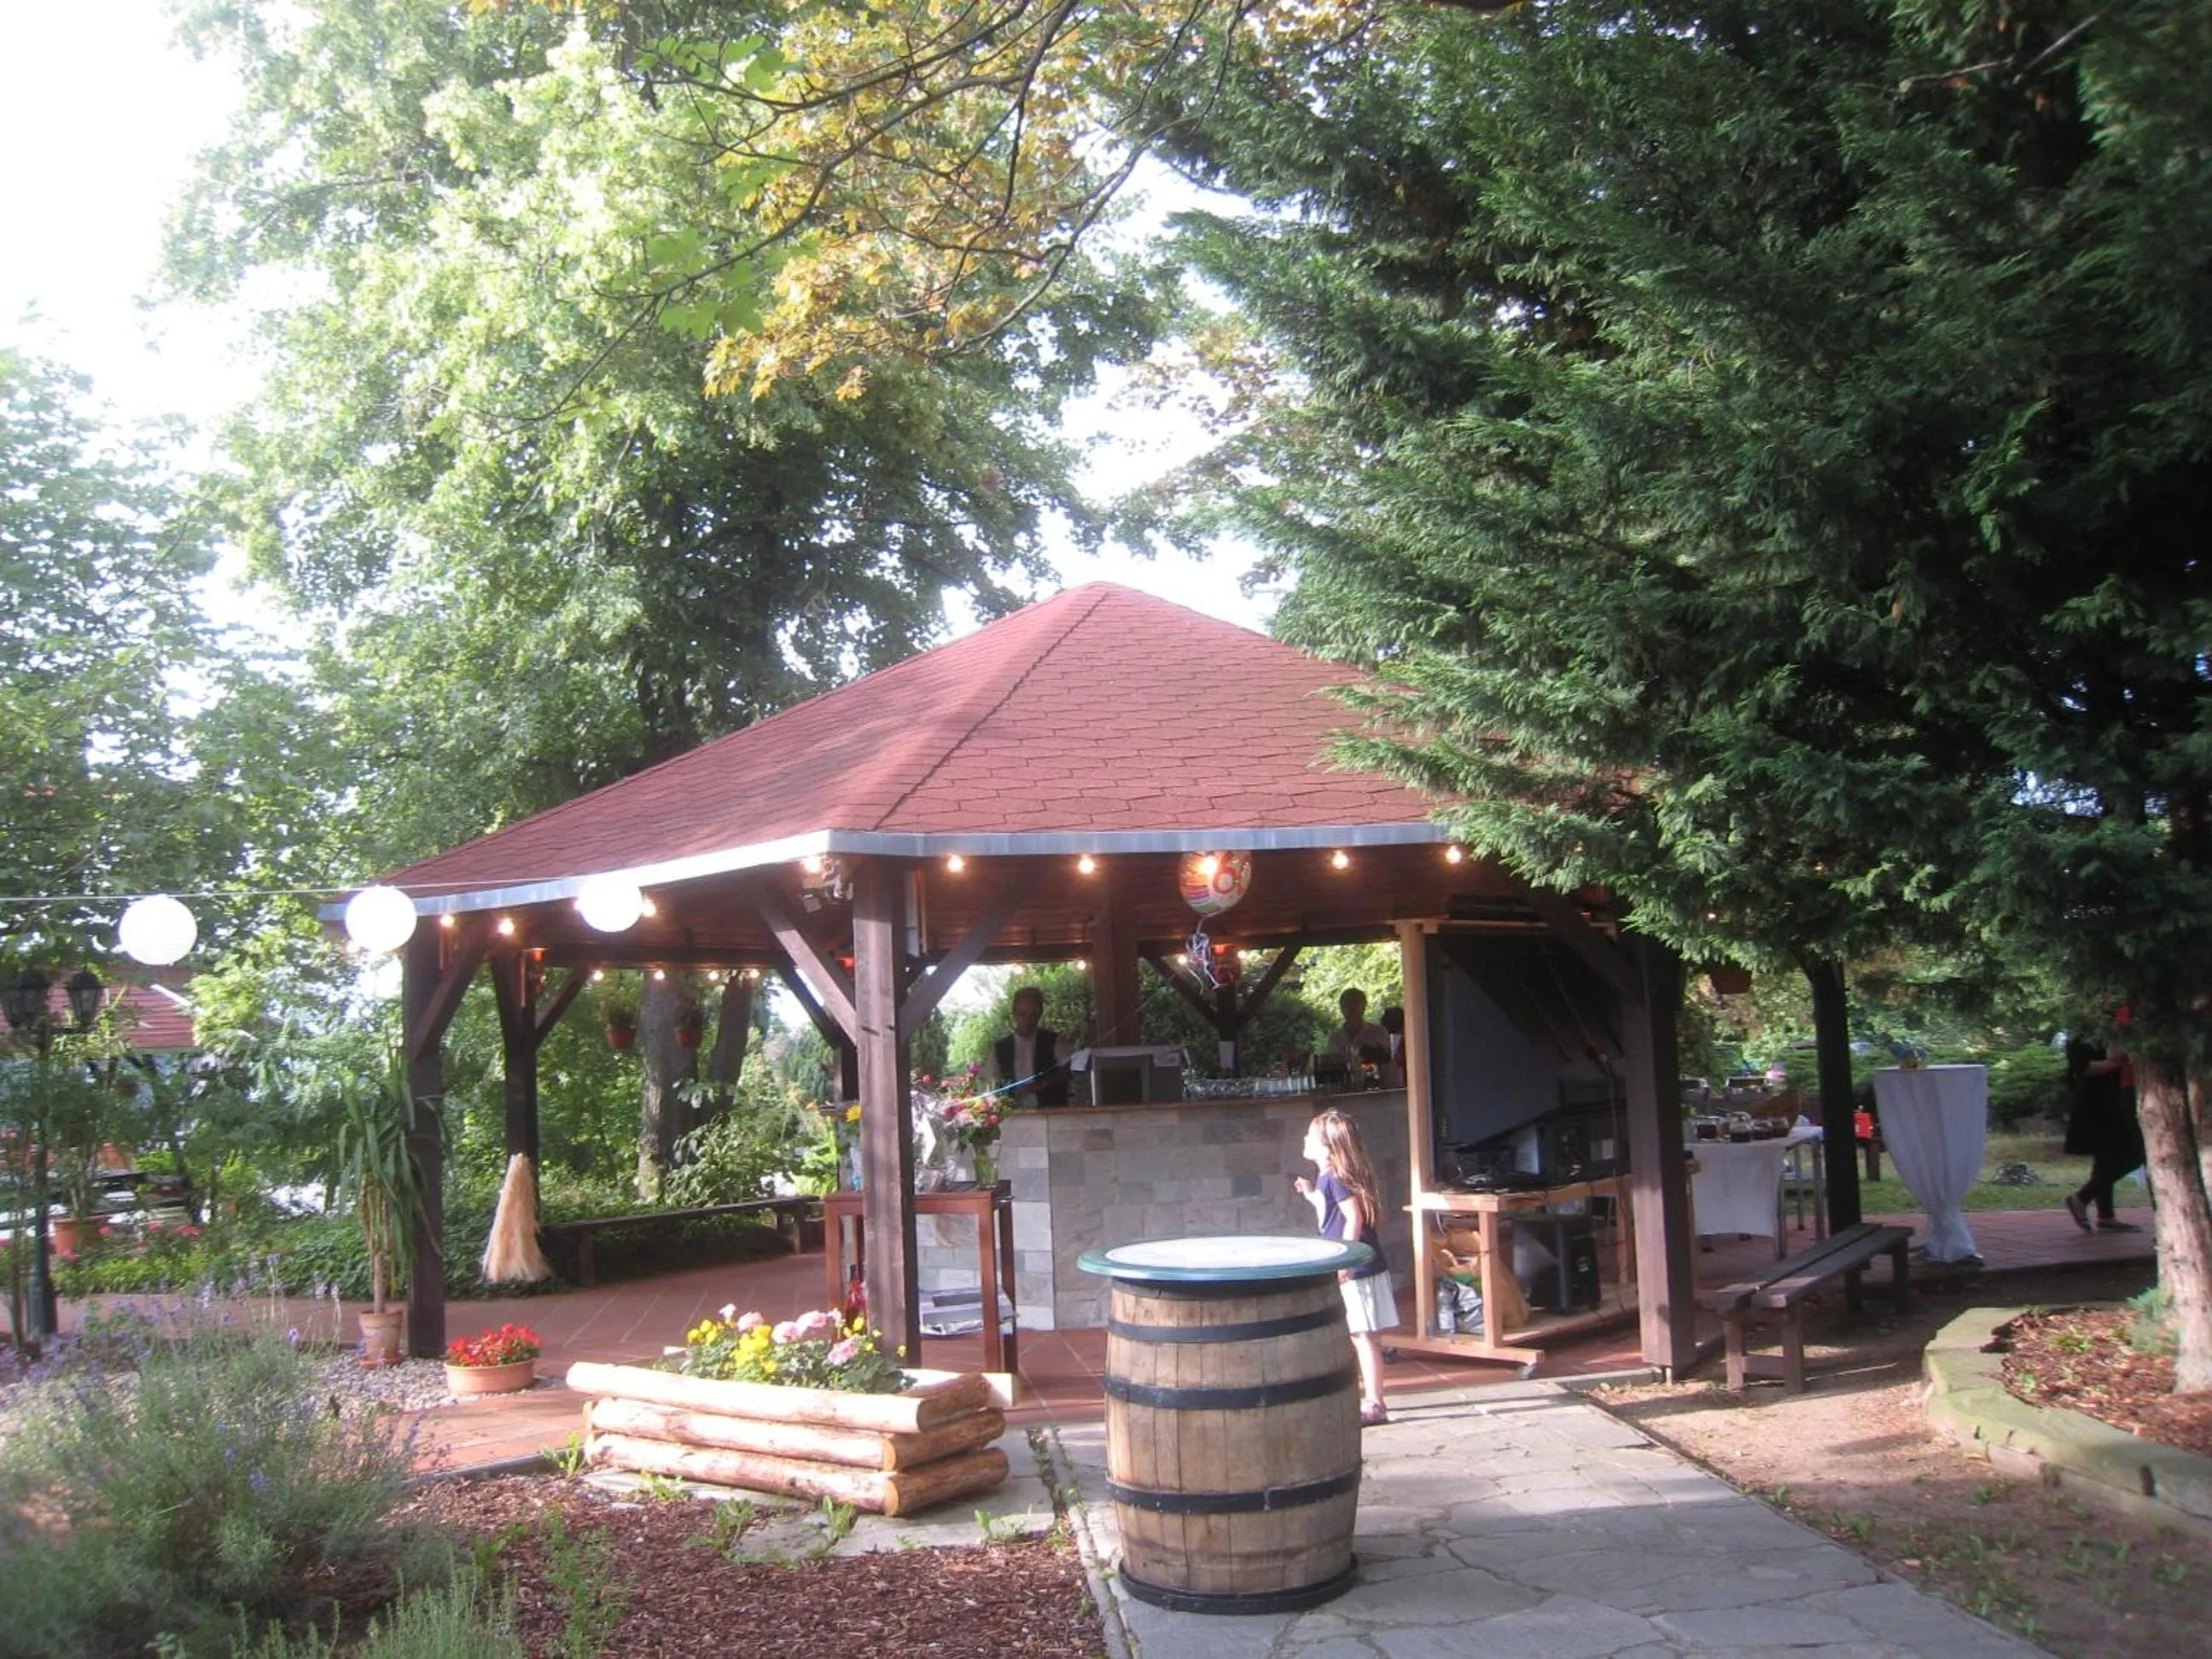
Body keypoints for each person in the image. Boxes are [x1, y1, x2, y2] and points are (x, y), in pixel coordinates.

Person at [1296, 1108, 1399, 1424]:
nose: (1304, 1139)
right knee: (1358, 1335)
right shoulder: (1328, 1178)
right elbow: (1330, 1212)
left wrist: (1346, 1260)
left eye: (1311, 1136)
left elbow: (1353, 1217)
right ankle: (1368, 1398)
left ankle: (1375, 1403)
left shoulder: (1334, 1177)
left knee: (1363, 1337)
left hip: (1357, 1270)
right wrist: (1311, 1195)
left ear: (1328, 1148)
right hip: (1358, 1267)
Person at [2064, 1017, 2145, 1234]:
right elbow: (2084, 1067)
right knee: (2133, 1155)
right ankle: (2081, 1198)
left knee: (2105, 1157)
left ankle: (2106, 1215)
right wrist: (2120, 1061)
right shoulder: (2083, 1031)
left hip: (2115, 1097)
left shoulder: (2113, 1025)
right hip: (2097, 1101)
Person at [988, 985, 1072, 1107]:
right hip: (1014, 1114)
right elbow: (993, 1086)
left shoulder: (1055, 1041)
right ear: (1014, 1014)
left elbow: (1070, 1072)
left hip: (1052, 1112)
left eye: (1033, 1015)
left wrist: (1044, 1084)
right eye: (1022, 1014)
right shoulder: (999, 1049)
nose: (1027, 1021)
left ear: (1040, 1014)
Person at [1323, 987, 1392, 1069]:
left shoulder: (1378, 1033)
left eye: (1355, 1005)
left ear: (1364, 1007)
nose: (1351, 1010)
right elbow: (1333, 1065)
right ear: (1341, 1009)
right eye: (1347, 1006)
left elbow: (1387, 1064)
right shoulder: (1335, 1038)